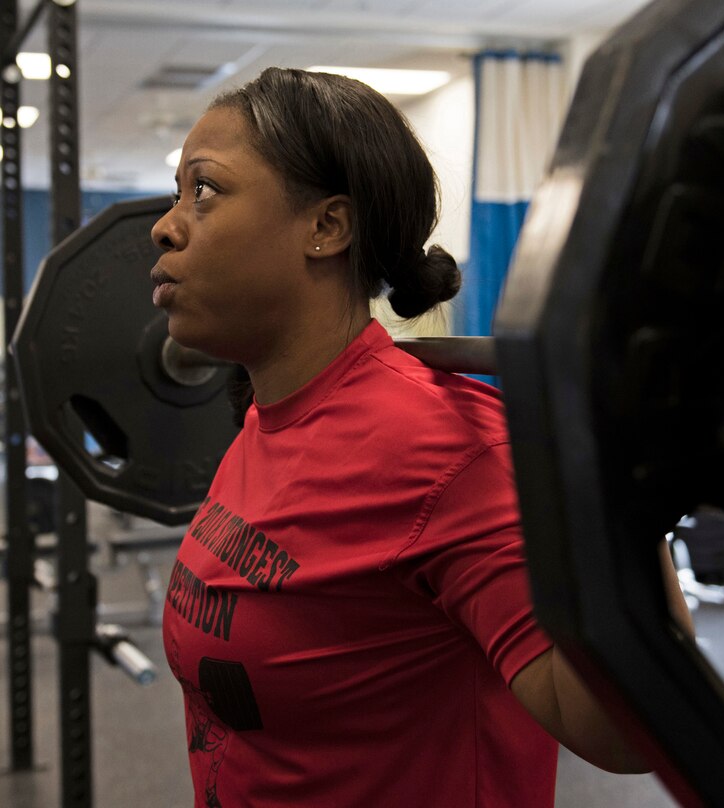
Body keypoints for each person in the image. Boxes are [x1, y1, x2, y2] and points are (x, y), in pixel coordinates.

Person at [151, 66, 692, 807]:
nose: (165, 223)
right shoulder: (267, 414)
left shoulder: (448, 448)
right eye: (176, 192)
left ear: (326, 227)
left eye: (204, 190)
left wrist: (604, 460)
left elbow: (636, 731)